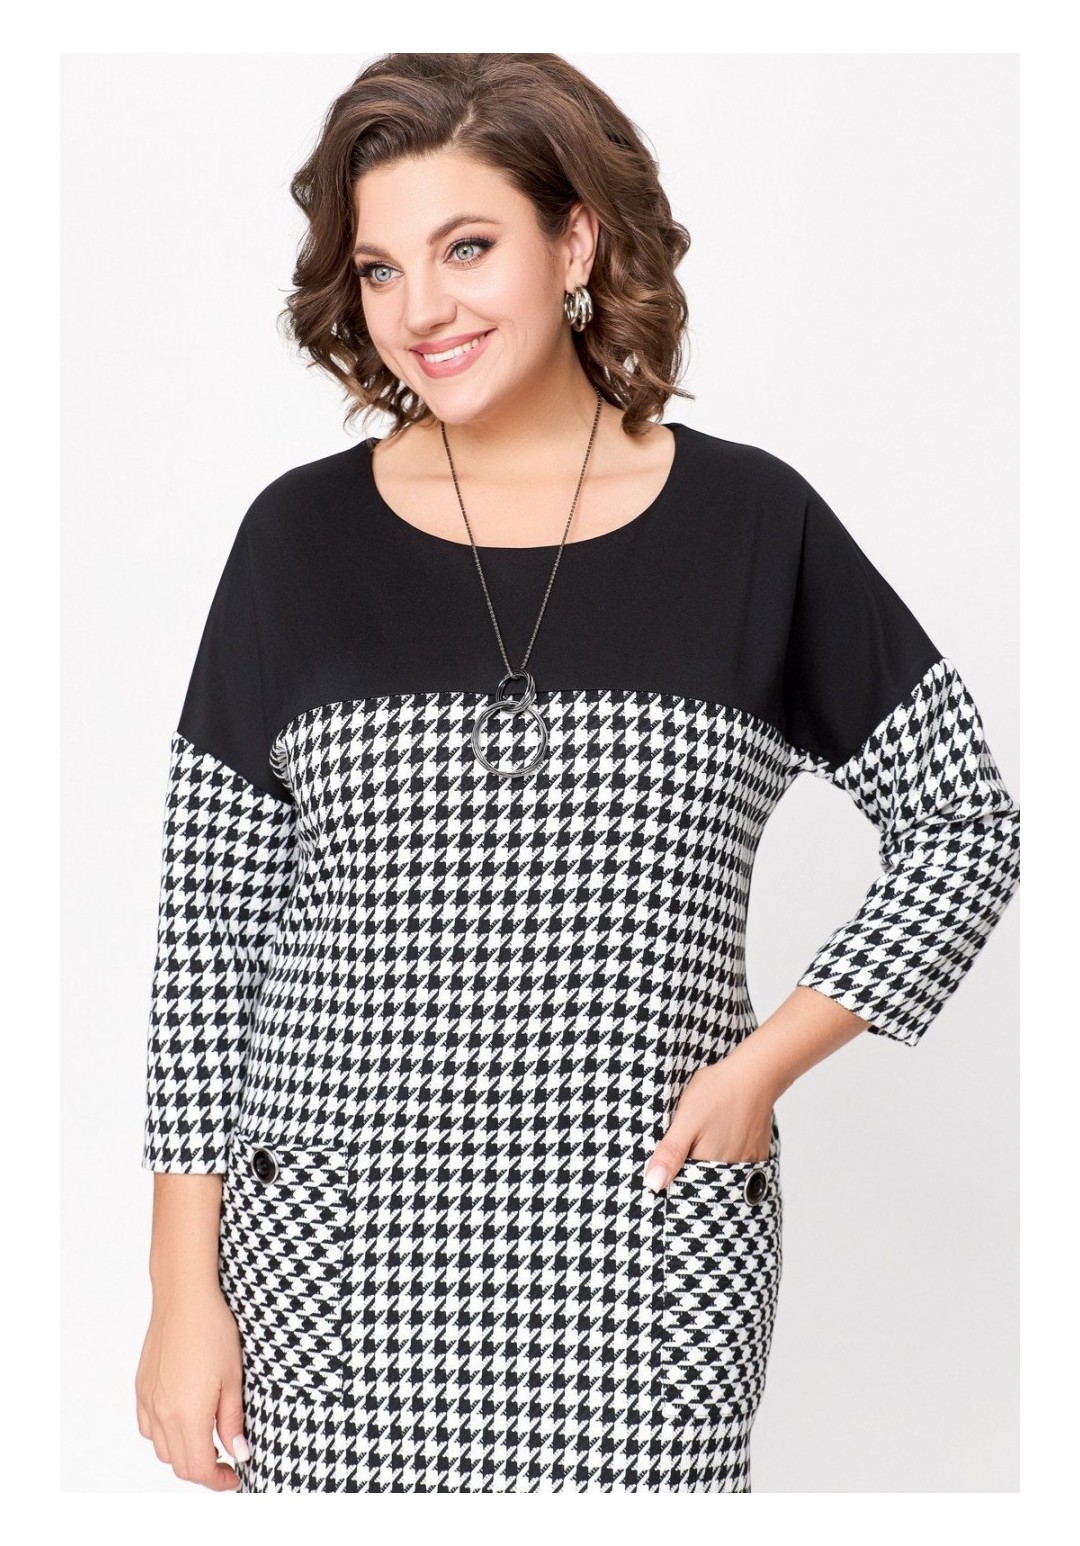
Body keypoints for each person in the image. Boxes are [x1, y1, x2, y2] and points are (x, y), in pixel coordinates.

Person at [134, 52, 1020, 1494]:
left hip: (644, 1270)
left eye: (467, 247)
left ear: (577, 242)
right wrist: (181, 1290)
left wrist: (762, 1068)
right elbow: (207, 946)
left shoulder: (753, 525)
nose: (420, 310)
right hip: (336, 1287)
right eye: (380, 268)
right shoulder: (296, 541)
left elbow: (965, 825)